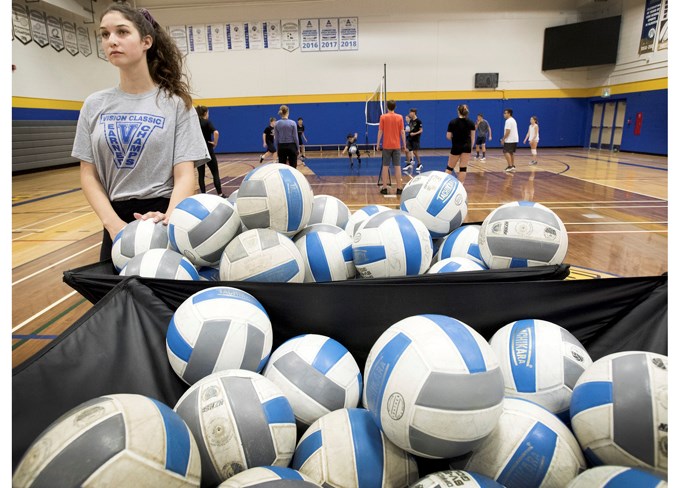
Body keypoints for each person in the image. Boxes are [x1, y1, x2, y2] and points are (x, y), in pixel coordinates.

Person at [72, 2, 209, 262]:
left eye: (122, 32)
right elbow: (88, 176)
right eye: (105, 34)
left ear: (146, 41)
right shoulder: (94, 104)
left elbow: (184, 175)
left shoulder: (176, 103)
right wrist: (114, 226)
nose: (112, 40)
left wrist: (168, 218)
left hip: (164, 216)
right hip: (115, 224)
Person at [377, 100, 406, 195]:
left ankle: (384, 187)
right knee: (397, 167)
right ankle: (399, 188)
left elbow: (380, 131)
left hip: (386, 146)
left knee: (385, 166)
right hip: (396, 145)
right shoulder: (400, 117)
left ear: (387, 107)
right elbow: (402, 132)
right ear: (395, 107)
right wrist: (404, 144)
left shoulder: (383, 117)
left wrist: (377, 144)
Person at [196, 105, 224, 197]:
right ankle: (220, 193)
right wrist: (215, 143)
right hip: (208, 150)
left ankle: (203, 195)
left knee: (201, 175)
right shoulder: (207, 122)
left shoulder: (195, 123)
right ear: (205, 113)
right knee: (215, 172)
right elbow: (216, 132)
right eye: (208, 112)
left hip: (199, 151)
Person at [445, 104, 475, 184]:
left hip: (456, 146)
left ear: (458, 111)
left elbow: (448, 136)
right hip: (467, 147)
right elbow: (473, 138)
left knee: (449, 168)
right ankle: (461, 185)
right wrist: (471, 148)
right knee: (463, 168)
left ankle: (444, 184)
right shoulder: (471, 123)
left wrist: (455, 138)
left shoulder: (453, 122)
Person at [403, 108, 423, 174]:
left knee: (415, 152)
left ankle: (419, 163)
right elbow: (411, 129)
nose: (409, 114)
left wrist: (414, 133)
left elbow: (421, 130)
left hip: (416, 139)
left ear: (414, 113)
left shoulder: (419, 121)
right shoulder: (411, 121)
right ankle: (408, 163)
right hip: (409, 138)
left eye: (411, 112)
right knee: (406, 150)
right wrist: (404, 130)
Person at [501, 108, 519, 172]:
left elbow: (508, 131)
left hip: (510, 139)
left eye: (505, 113)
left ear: (509, 114)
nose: (504, 114)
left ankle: (510, 166)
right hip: (514, 139)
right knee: (511, 152)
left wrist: (503, 139)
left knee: (506, 152)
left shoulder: (508, 121)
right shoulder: (513, 120)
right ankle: (512, 165)